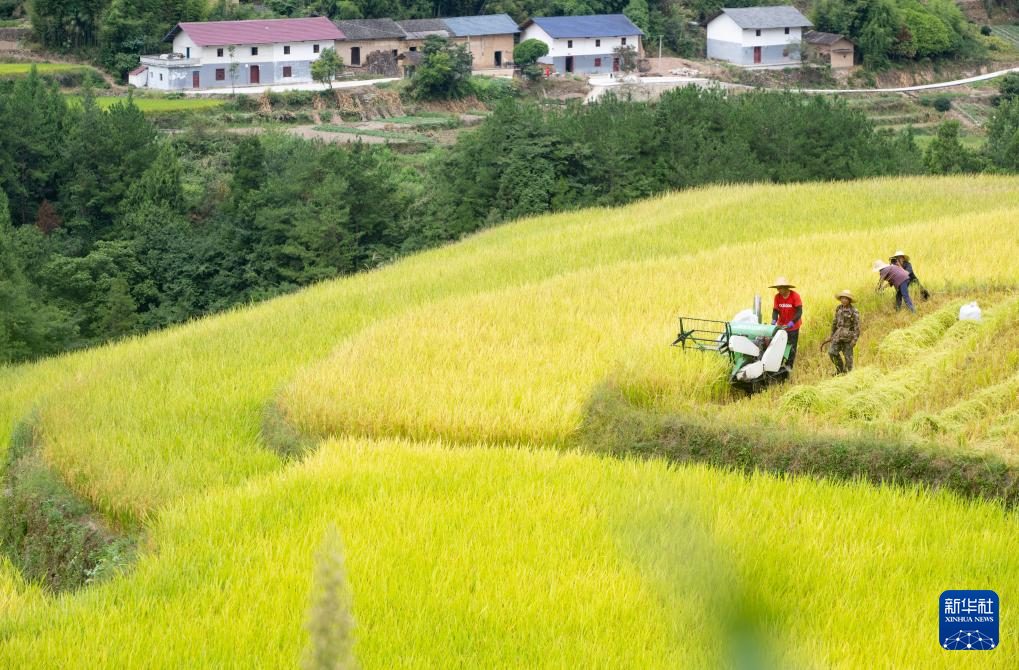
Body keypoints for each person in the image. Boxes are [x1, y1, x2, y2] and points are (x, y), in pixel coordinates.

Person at [769, 277, 802, 369]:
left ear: (786, 287)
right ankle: (778, 365)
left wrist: (792, 323)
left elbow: (799, 312)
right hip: (781, 325)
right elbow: (775, 311)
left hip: (793, 326)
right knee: (778, 345)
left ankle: (789, 367)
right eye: (777, 288)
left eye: (780, 288)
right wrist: (773, 321)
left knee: (791, 347)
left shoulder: (795, 296)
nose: (778, 290)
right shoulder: (777, 297)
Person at [828, 290, 861, 375]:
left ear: (849, 300)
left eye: (846, 298)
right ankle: (840, 370)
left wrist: (855, 340)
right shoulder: (839, 308)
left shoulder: (854, 311)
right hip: (838, 336)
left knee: (848, 359)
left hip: (848, 338)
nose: (844, 300)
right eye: (842, 298)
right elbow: (834, 322)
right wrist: (831, 335)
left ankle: (847, 375)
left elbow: (857, 326)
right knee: (831, 352)